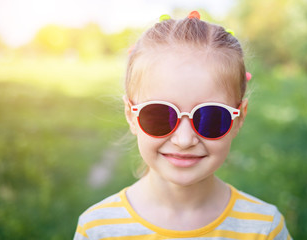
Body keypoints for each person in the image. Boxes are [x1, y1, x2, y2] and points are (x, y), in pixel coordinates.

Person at [73, 11, 292, 240]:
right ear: (131, 115)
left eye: (210, 117)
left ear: (238, 119)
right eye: (159, 114)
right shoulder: (98, 230)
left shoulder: (264, 229)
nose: (184, 140)